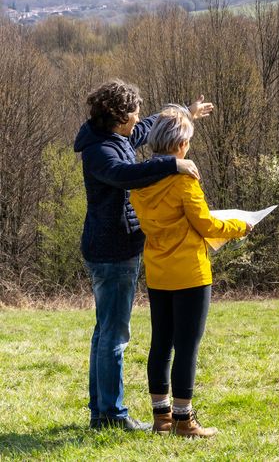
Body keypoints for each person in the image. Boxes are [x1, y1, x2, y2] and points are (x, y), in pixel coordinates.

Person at [74, 80, 213, 431]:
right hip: (112, 251)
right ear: (119, 117)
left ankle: (100, 410)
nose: (138, 119)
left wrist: (186, 111)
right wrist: (173, 166)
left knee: (104, 331)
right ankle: (111, 416)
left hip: (116, 248)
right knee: (114, 335)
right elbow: (127, 175)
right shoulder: (100, 152)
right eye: (133, 112)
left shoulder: (116, 136)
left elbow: (151, 125)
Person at [129, 106, 250, 438]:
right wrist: (241, 225)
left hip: (157, 271)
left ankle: (161, 418)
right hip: (190, 274)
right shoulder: (184, 182)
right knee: (187, 347)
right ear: (180, 144)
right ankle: (184, 420)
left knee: (161, 343)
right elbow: (206, 223)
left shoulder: (139, 183)